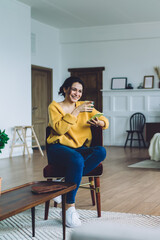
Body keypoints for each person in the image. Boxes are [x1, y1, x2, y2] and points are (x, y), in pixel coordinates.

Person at [47, 76, 109, 228]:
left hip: (77, 149)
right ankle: (70, 207)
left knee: (101, 151)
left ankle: (62, 185)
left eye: (80, 91)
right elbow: (60, 129)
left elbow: (105, 120)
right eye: (74, 89)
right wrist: (76, 111)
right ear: (65, 89)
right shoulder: (54, 107)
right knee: (77, 160)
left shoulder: (85, 106)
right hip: (57, 148)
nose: (77, 93)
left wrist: (100, 122)